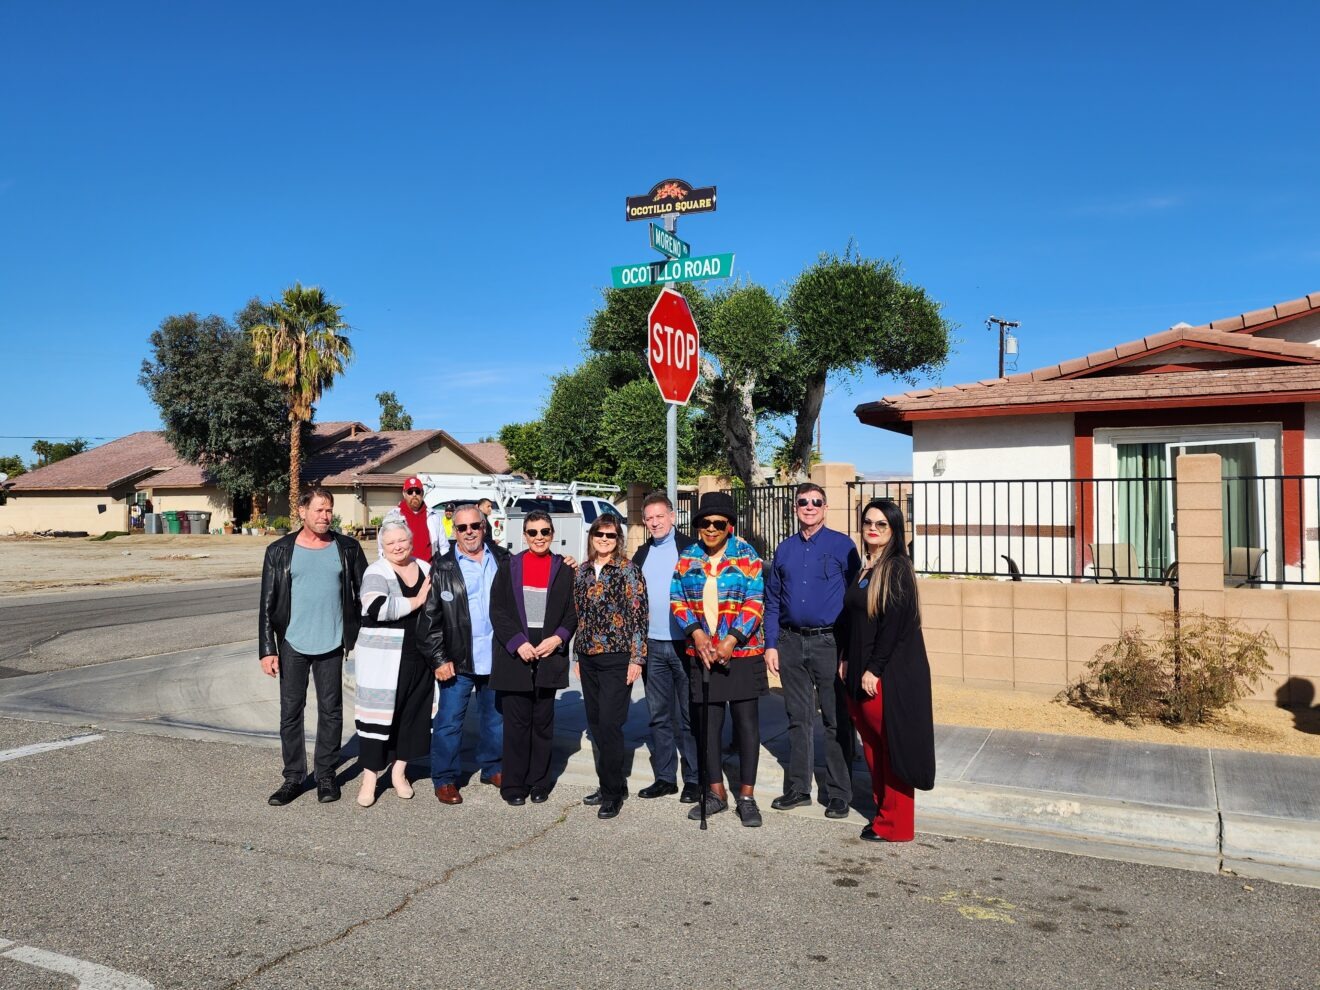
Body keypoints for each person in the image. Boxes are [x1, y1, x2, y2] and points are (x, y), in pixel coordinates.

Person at [259, 487, 368, 806]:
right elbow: (267, 603)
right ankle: (293, 777)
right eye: (319, 509)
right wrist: (268, 648)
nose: (325, 516)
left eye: (329, 510)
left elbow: (367, 592)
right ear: (302, 512)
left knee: (331, 711)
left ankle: (325, 775)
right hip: (293, 643)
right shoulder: (279, 550)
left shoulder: (347, 548)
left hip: (332, 643)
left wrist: (358, 632)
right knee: (291, 712)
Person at [838, 499, 936, 842]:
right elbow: (856, 622)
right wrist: (847, 659)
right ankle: (882, 815)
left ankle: (897, 825)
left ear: (894, 530)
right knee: (873, 749)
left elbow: (893, 627)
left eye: (881, 524)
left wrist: (873, 669)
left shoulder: (896, 568)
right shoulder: (866, 567)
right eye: (868, 522)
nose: (873, 529)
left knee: (891, 749)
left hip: (887, 677)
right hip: (859, 671)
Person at [763, 482, 861, 819]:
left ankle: (838, 793)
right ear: (795, 508)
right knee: (798, 718)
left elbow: (855, 601)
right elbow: (772, 599)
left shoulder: (842, 546)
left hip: (829, 643)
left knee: (836, 720)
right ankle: (799, 788)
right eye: (803, 502)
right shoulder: (784, 549)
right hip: (790, 643)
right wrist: (771, 644)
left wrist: (848, 652)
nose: (809, 506)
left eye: (816, 502)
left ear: (825, 507)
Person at [670, 492, 767, 827]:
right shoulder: (687, 558)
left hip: (741, 652)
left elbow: (755, 600)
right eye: (704, 523)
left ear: (729, 526)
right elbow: (677, 599)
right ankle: (716, 793)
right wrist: (697, 636)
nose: (711, 529)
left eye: (718, 523)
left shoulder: (747, 555)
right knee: (707, 727)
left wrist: (730, 640)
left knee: (746, 726)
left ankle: (747, 797)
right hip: (702, 653)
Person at [418, 504, 509, 804]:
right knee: (448, 722)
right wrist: (439, 659)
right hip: (457, 661)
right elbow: (430, 620)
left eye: (475, 526)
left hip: (496, 657)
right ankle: (444, 778)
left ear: (485, 527)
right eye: (462, 528)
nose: (469, 532)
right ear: (454, 532)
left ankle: (492, 767)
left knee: (495, 719)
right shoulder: (442, 567)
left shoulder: (503, 559)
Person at [489, 510, 577, 805]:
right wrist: (517, 643)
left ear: (552, 534)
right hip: (517, 656)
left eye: (544, 532)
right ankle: (513, 785)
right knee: (515, 726)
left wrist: (559, 638)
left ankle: (539, 782)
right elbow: (497, 611)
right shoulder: (509, 567)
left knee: (542, 724)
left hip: (548, 654)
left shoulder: (564, 569)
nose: (539, 537)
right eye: (532, 532)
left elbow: (573, 612)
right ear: (524, 536)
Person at [354, 514, 434, 807]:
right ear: (382, 546)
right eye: (391, 542)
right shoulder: (377, 571)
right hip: (384, 661)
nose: (398, 546)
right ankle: (370, 779)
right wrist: (416, 602)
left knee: (413, 717)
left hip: (420, 656)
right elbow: (375, 607)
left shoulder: (425, 568)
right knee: (379, 720)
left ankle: (400, 772)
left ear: (412, 542)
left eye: (402, 540)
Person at [573, 514, 648, 819]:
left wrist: (637, 658)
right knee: (596, 723)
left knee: (610, 724)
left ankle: (612, 793)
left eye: (610, 535)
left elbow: (640, 616)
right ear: (591, 536)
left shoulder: (629, 571)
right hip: (588, 658)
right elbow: (579, 616)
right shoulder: (582, 572)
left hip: (618, 658)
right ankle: (611, 782)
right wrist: (577, 656)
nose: (604, 540)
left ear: (619, 539)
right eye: (599, 534)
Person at [632, 491, 700, 803]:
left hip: (685, 646)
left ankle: (694, 779)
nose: (655, 522)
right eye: (650, 518)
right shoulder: (641, 554)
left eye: (660, 516)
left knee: (688, 716)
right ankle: (664, 778)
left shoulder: (691, 548)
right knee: (658, 715)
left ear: (672, 517)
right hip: (653, 646)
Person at [377, 476, 448, 563]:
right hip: (403, 569)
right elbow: (382, 547)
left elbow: (444, 546)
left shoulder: (434, 516)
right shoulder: (393, 516)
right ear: (404, 494)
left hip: (429, 569)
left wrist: (444, 565)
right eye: (410, 492)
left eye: (417, 491)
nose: (414, 494)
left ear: (422, 493)